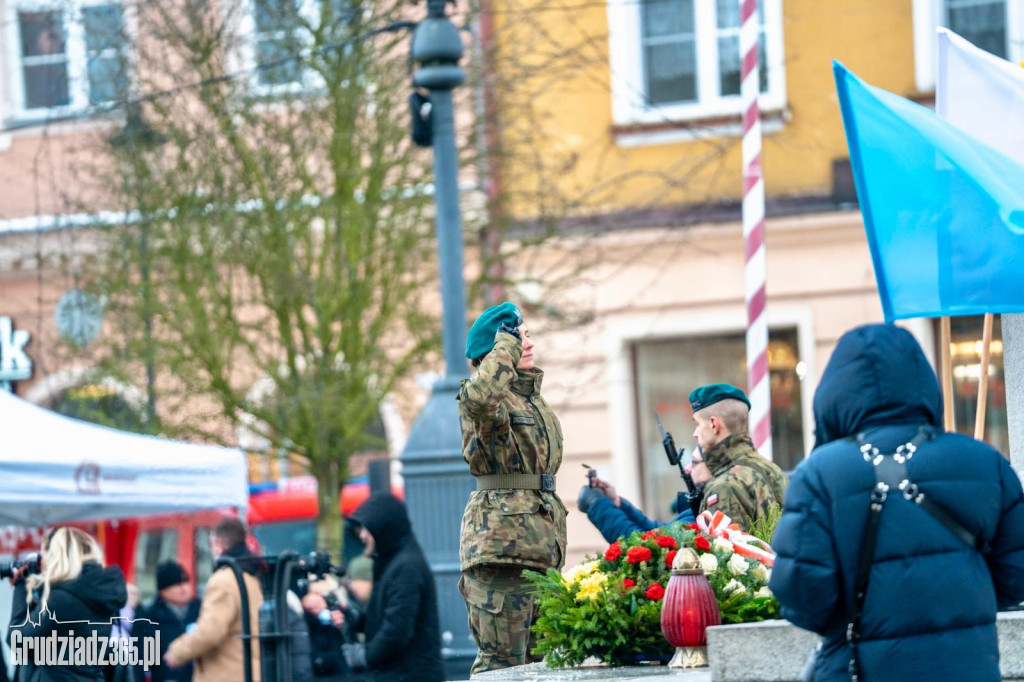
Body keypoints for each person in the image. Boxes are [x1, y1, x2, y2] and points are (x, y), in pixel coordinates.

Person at [770, 324, 1024, 681]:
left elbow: (801, 598)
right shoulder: (986, 463)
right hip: (968, 668)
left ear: (834, 393)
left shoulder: (819, 475)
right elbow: (1016, 579)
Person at [456, 301, 567, 674]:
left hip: (540, 549)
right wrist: (504, 346)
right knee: (502, 668)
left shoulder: (532, 400)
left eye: (527, 335)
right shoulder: (485, 400)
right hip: (501, 551)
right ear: (496, 353)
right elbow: (479, 396)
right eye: (517, 339)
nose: (528, 343)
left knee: (544, 666)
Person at [341, 493, 442, 682]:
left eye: (367, 529)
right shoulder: (394, 562)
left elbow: (396, 631)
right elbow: (389, 620)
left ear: (383, 527)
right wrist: (356, 619)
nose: (362, 535)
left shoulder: (405, 567)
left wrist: (365, 656)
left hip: (409, 675)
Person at [7, 527, 128, 681]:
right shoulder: (95, 594)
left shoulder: (63, 600)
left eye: (43, 555)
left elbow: (18, 640)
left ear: (57, 556)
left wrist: (21, 585)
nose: (40, 562)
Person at [165, 518, 263, 682]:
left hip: (227, 674)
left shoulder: (224, 580)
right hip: (250, 671)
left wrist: (177, 651)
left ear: (219, 544)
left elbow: (210, 632)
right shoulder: (253, 577)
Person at [689, 383, 787, 528]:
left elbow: (724, 550)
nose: (695, 434)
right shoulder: (773, 469)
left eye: (697, 424)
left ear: (713, 425)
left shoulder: (724, 487)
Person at [577, 465, 702, 544]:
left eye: (695, 463)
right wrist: (617, 503)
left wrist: (597, 505)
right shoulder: (702, 507)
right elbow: (655, 531)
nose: (687, 467)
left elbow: (645, 545)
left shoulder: (704, 514)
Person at [133, 561, 201, 682]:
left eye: (186, 582)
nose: (183, 588)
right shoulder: (148, 618)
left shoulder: (202, 610)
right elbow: (139, 661)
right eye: (176, 584)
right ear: (163, 590)